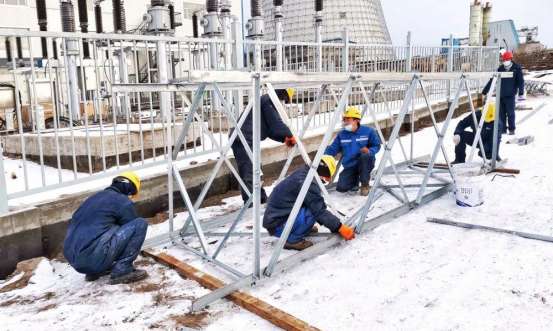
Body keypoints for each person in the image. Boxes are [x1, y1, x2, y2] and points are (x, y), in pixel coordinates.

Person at [63, 172, 148, 285]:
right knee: (140, 224)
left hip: (74, 260)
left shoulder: (92, 199)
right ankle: (122, 270)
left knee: (106, 227)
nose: (129, 196)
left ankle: (95, 271)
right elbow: (130, 227)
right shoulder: (121, 200)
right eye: (131, 192)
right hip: (91, 257)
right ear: (128, 186)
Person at [263, 155, 355, 250]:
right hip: (278, 226)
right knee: (314, 211)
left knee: (313, 206)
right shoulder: (308, 182)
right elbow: (319, 210)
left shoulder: (305, 172)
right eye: (326, 178)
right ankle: (293, 240)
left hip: (276, 218)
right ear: (324, 172)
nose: (325, 181)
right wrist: (339, 227)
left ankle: (301, 228)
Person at [231, 88, 297, 205]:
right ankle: (251, 201)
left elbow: (269, 130)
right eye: (285, 100)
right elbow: (276, 124)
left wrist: (283, 138)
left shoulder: (266, 102)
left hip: (248, 138)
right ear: (281, 94)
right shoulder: (268, 101)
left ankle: (260, 197)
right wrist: (290, 134)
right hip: (242, 138)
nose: (283, 103)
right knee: (248, 169)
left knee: (256, 168)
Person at [324, 108, 381, 196]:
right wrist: (322, 158)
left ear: (356, 120)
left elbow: (376, 145)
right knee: (342, 188)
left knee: (364, 157)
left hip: (365, 163)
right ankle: (355, 180)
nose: (345, 122)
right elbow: (333, 149)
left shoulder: (368, 131)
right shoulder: (342, 134)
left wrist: (369, 151)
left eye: (348, 120)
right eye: (344, 120)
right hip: (350, 165)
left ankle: (365, 184)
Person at [482, 51, 525, 135]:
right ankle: (502, 129)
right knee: (501, 113)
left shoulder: (516, 68)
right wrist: (485, 91)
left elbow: (520, 81)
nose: (505, 61)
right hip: (500, 94)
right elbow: (492, 80)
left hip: (510, 94)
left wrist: (521, 92)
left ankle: (511, 129)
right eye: (504, 60)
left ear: (511, 59)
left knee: (510, 113)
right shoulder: (500, 69)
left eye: (507, 59)